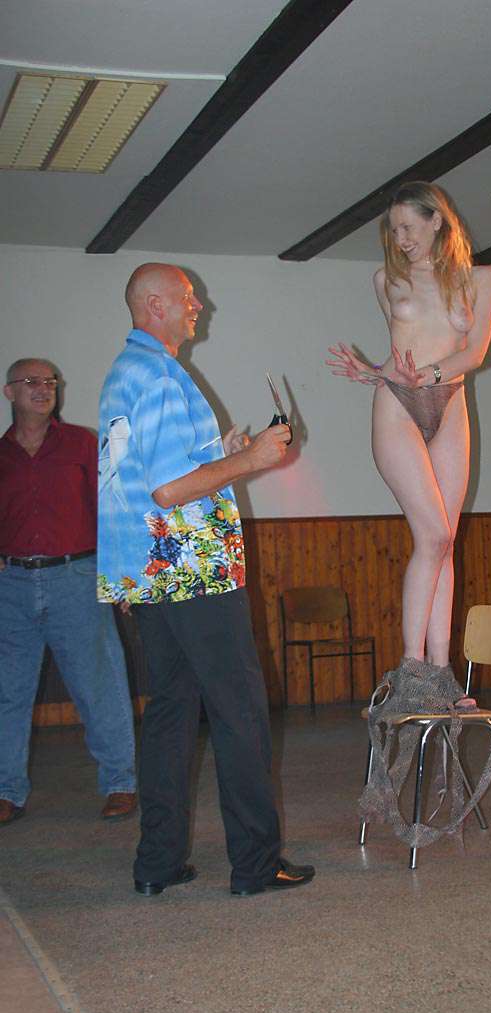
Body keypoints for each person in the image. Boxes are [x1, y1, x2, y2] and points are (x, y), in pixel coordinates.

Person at [98, 262, 314, 897]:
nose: (199, 306)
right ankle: (255, 864)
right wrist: (251, 460)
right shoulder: (162, 376)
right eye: (188, 298)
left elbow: (144, 477)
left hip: (151, 574)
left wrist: (222, 453)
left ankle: (158, 863)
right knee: (239, 710)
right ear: (155, 304)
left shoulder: (124, 373)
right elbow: (169, 491)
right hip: (194, 571)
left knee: (170, 711)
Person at [327, 180, 491, 674]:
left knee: (445, 540)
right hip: (398, 404)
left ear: (436, 220)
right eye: (393, 230)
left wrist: (428, 376)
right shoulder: (386, 279)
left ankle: (441, 672)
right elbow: (400, 352)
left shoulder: (482, 279)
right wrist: (375, 372)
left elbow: (475, 352)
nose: (400, 239)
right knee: (432, 535)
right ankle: (412, 667)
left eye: (408, 227)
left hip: (449, 400)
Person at [0, 358, 137, 827]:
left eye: (50, 382)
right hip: (11, 587)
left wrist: (120, 577)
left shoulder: (81, 444)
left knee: (100, 687)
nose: (43, 388)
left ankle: (120, 783)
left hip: (77, 577)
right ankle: (6, 791)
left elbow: (111, 509)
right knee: (7, 693)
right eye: (31, 382)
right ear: (10, 392)